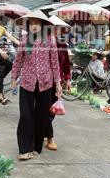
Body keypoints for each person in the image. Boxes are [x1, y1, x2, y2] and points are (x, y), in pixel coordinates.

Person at [11, 11, 62, 160]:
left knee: (41, 117)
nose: (34, 26)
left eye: (36, 23)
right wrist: (14, 77)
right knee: (26, 116)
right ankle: (24, 148)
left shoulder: (50, 40)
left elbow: (54, 63)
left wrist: (58, 83)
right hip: (27, 82)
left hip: (45, 83)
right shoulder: (24, 40)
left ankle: (35, 147)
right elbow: (18, 61)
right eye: (31, 23)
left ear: (42, 25)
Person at [45, 15, 71, 151]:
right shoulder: (42, 43)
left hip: (57, 83)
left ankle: (45, 132)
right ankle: (49, 138)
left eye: (58, 29)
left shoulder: (62, 45)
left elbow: (66, 63)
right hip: (43, 82)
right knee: (44, 110)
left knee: (52, 111)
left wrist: (68, 79)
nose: (56, 31)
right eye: (53, 28)